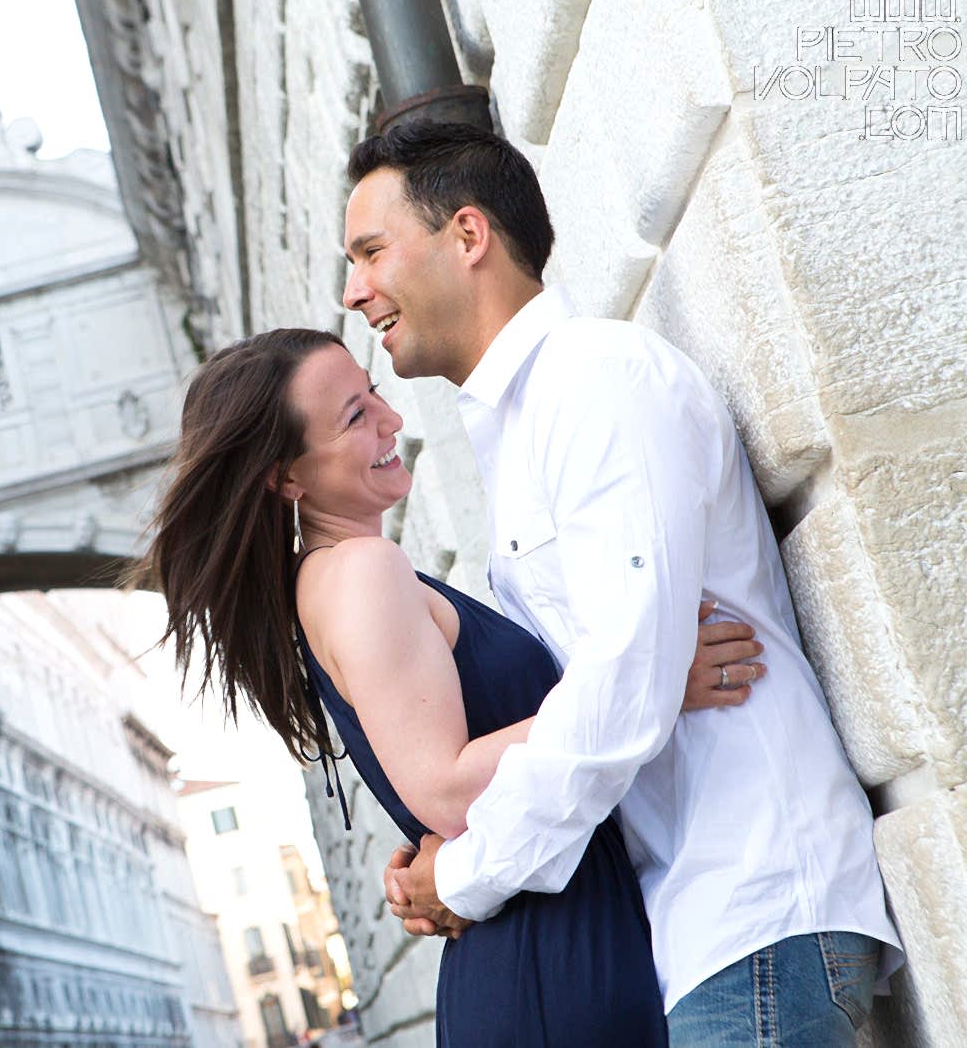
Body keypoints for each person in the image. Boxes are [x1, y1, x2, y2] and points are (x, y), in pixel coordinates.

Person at [341, 120, 902, 1044]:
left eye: (371, 250)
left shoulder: (594, 382)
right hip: (692, 929)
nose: (354, 289)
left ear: (469, 236)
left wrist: (472, 873)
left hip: (753, 908)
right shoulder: (522, 430)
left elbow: (623, 684)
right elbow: (619, 681)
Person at [136, 326, 768, 1045]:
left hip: (549, 944)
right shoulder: (361, 571)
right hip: (547, 969)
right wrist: (647, 680)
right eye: (354, 416)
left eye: (373, 394)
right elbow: (447, 789)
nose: (391, 420)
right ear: (286, 477)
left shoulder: (335, 577)